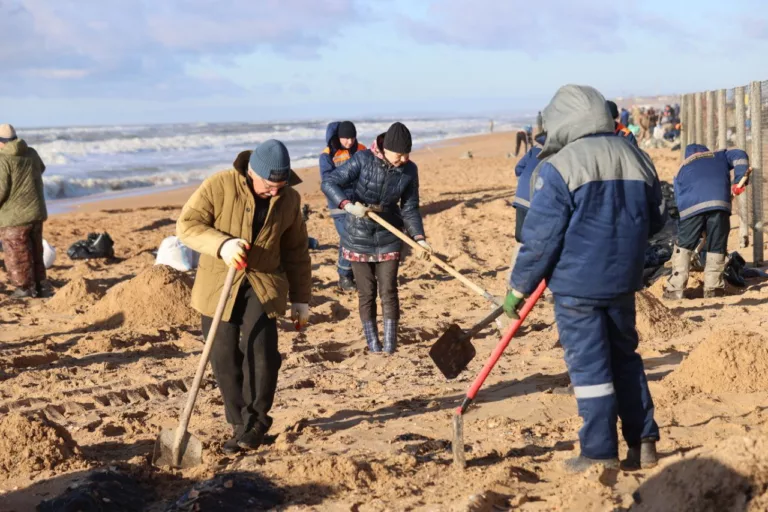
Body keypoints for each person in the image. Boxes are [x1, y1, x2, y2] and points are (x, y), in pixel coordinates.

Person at [505, 85, 666, 473]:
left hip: (577, 287)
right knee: (626, 359)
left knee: (591, 368)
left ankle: (598, 451)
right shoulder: (636, 156)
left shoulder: (560, 165)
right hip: (624, 281)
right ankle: (643, 442)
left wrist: (517, 287)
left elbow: (540, 238)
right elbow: (658, 219)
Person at [177, 139, 311, 454]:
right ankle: (239, 424)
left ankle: (256, 423)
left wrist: (301, 299)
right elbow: (188, 226)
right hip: (218, 283)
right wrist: (222, 245)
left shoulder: (289, 200)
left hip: (264, 284)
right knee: (223, 356)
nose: (275, 191)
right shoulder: (218, 185)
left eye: (282, 185)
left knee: (262, 353)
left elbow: (296, 252)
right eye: (269, 185)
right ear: (252, 171)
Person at [322, 122, 431, 354]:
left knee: (389, 290)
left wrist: (419, 238)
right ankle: (374, 345)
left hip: (389, 233)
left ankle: (390, 345)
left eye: (407, 154)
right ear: (385, 149)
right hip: (358, 234)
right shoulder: (363, 159)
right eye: (399, 154)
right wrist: (348, 205)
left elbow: (410, 208)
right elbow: (330, 182)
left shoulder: (410, 170)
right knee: (367, 292)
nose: (403, 159)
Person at [664, 143, 749, 300]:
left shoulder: (681, 168)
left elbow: (678, 199)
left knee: (684, 246)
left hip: (690, 209)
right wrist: (738, 179)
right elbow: (740, 154)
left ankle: (675, 289)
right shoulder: (720, 155)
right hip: (719, 204)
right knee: (717, 245)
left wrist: (689, 229)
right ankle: (714, 288)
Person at [0, 123, 49, 298]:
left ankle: (24, 288)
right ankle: (41, 286)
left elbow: (1, 189)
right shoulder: (31, 153)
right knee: (36, 250)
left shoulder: (3, 159)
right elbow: (41, 169)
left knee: (17, 253)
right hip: (36, 211)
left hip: (14, 216)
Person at [319, 121, 366, 292]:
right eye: (346, 138)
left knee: (361, 237)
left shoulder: (361, 149)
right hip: (338, 205)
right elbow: (328, 182)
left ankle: (358, 273)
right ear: (338, 138)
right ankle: (344, 275)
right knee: (348, 236)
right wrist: (344, 200)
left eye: (352, 137)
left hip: (359, 202)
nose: (350, 141)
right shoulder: (326, 156)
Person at [510, 131, 547, 268]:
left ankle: (514, 274)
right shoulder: (556, 155)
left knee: (520, 238)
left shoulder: (534, 150)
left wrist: (523, 184)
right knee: (534, 238)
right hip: (536, 201)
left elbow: (518, 168)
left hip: (520, 198)